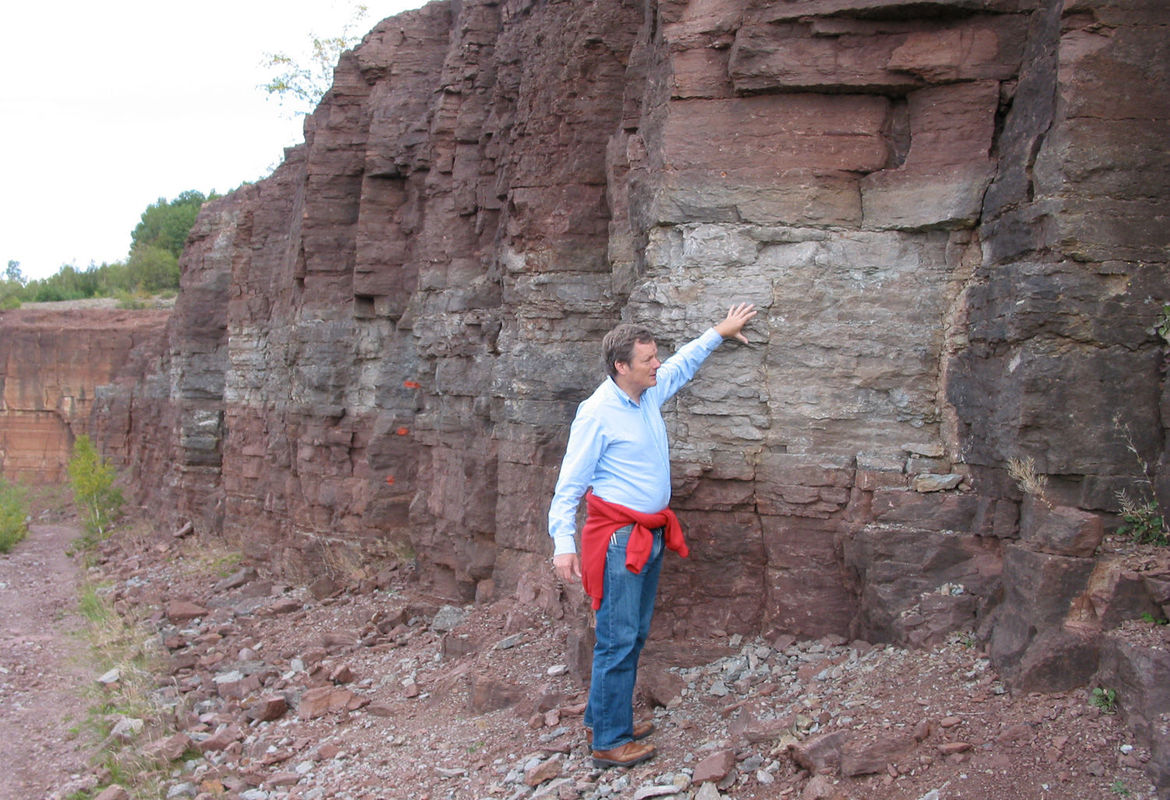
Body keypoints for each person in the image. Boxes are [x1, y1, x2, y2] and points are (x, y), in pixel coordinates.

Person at [548, 303, 758, 768]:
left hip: (648, 534)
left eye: (655, 356)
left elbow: (681, 364)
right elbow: (569, 484)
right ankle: (609, 740)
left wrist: (718, 333)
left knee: (633, 633)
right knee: (618, 638)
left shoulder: (646, 395)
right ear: (622, 366)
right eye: (648, 359)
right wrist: (563, 543)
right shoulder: (598, 413)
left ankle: (603, 715)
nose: (657, 364)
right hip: (620, 540)